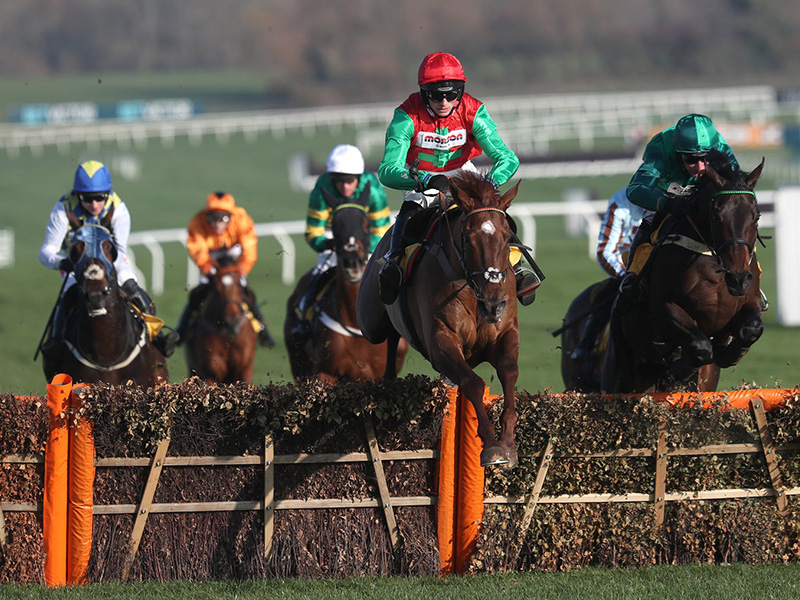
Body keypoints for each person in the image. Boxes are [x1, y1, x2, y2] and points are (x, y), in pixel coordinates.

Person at [376, 51, 538, 306]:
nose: (444, 101)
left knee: (494, 214)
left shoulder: (474, 111)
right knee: (407, 216)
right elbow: (388, 169)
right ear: (423, 92)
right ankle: (393, 264)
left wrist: (488, 185)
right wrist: (423, 180)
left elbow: (508, 159)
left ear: (460, 91)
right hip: (420, 176)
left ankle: (516, 268)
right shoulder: (406, 116)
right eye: (435, 94)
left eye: (451, 94)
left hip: (463, 172)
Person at [39, 160, 179, 359]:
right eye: (87, 199)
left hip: (111, 262)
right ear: (77, 195)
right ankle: (55, 345)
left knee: (131, 286)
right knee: (68, 295)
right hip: (76, 266)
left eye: (100, 198)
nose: (94, 204)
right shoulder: (62, 209)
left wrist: (107, 268)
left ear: (107, 193)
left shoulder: (118, 209)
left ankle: (158, 337)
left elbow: (120, 251)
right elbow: (46, 251)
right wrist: (62, 263)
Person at [617, 113, 740, 309]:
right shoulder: (661, 149)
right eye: (692, 160)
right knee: (650, 219)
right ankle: (633, 276)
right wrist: (667, 204)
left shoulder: (720, 148)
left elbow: (739, 188)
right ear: (678, 154)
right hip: (667, 191)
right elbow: (635, 189)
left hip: (706, 192)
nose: (700, 167)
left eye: (706, 159)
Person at [289, 144, 391, 337]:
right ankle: (304, 318)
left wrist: (361, 247)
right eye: (338, 181)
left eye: (349, 181)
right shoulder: (322, 187)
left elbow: (381, 229)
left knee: (385, 276)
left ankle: (397, 323)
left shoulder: (373, 188)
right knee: (319, 275)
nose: (344, 187)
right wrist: (328, 244)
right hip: (333, 237)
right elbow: (313, 232)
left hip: (365, 240)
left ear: (359, 177)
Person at [176, 191, 275, 347]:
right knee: (198, 294)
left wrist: (241, 270)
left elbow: (249, 250)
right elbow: (197, 250)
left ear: (231, 216)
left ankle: (263, 331)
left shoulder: (242, 219)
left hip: (234, 256)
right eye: (212, 218)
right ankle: (181, 332)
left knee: (245, 291)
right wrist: (206, 267)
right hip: (211, 257)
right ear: (206, 216)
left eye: (222, 219)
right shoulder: (197, 222)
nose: (217, 224)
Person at [570, 187, 644, 361]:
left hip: (665, 268)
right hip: (630, 271)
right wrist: (627, 277)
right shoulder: (621, 202)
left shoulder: (680, 197)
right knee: (602, 294)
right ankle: (586, 346)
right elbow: (606, 251)